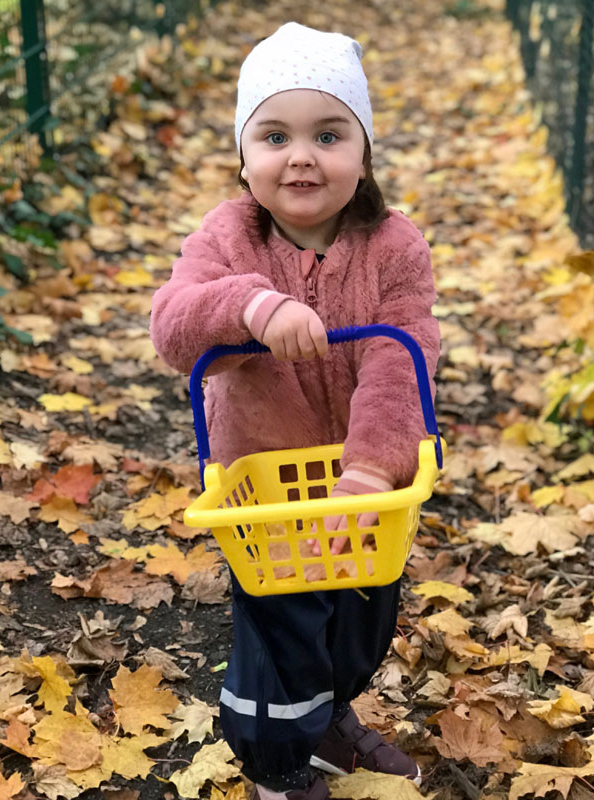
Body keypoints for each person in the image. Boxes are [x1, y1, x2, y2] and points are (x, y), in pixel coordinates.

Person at [150, 21, 440, 800]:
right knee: (283, 636)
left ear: (363, 153)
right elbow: (173, 326)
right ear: (244, 158)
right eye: (274, 135)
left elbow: (399, 356)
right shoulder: (227, 237)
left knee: (359, 624)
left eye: (328, 133)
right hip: (266, 489)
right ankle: (277, 766)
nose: (301, 155)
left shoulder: (393, 247)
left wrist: (374, 466)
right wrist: (249, 306)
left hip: (362, 488)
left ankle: (328, 721)